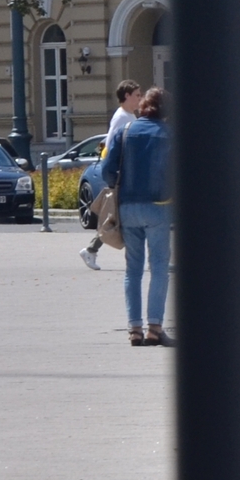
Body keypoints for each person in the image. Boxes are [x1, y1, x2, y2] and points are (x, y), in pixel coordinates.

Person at [110, 87, 172, 347]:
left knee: (132, 269)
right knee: (158, 267)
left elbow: (107, 170)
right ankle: (154, 328)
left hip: (127, 206)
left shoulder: (125, 131)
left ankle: (134, 329)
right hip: (158, 206)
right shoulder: (169, 134)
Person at [78, 79, 140, 271]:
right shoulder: (123, 117)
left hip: (125, 173)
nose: (140, 98)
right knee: (121, 216)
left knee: (122, 216)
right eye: (137, 95)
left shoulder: (129, 116)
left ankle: (91, 250)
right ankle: (91, 250)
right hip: (122, 175)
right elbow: (112, 144)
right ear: (127, 96)